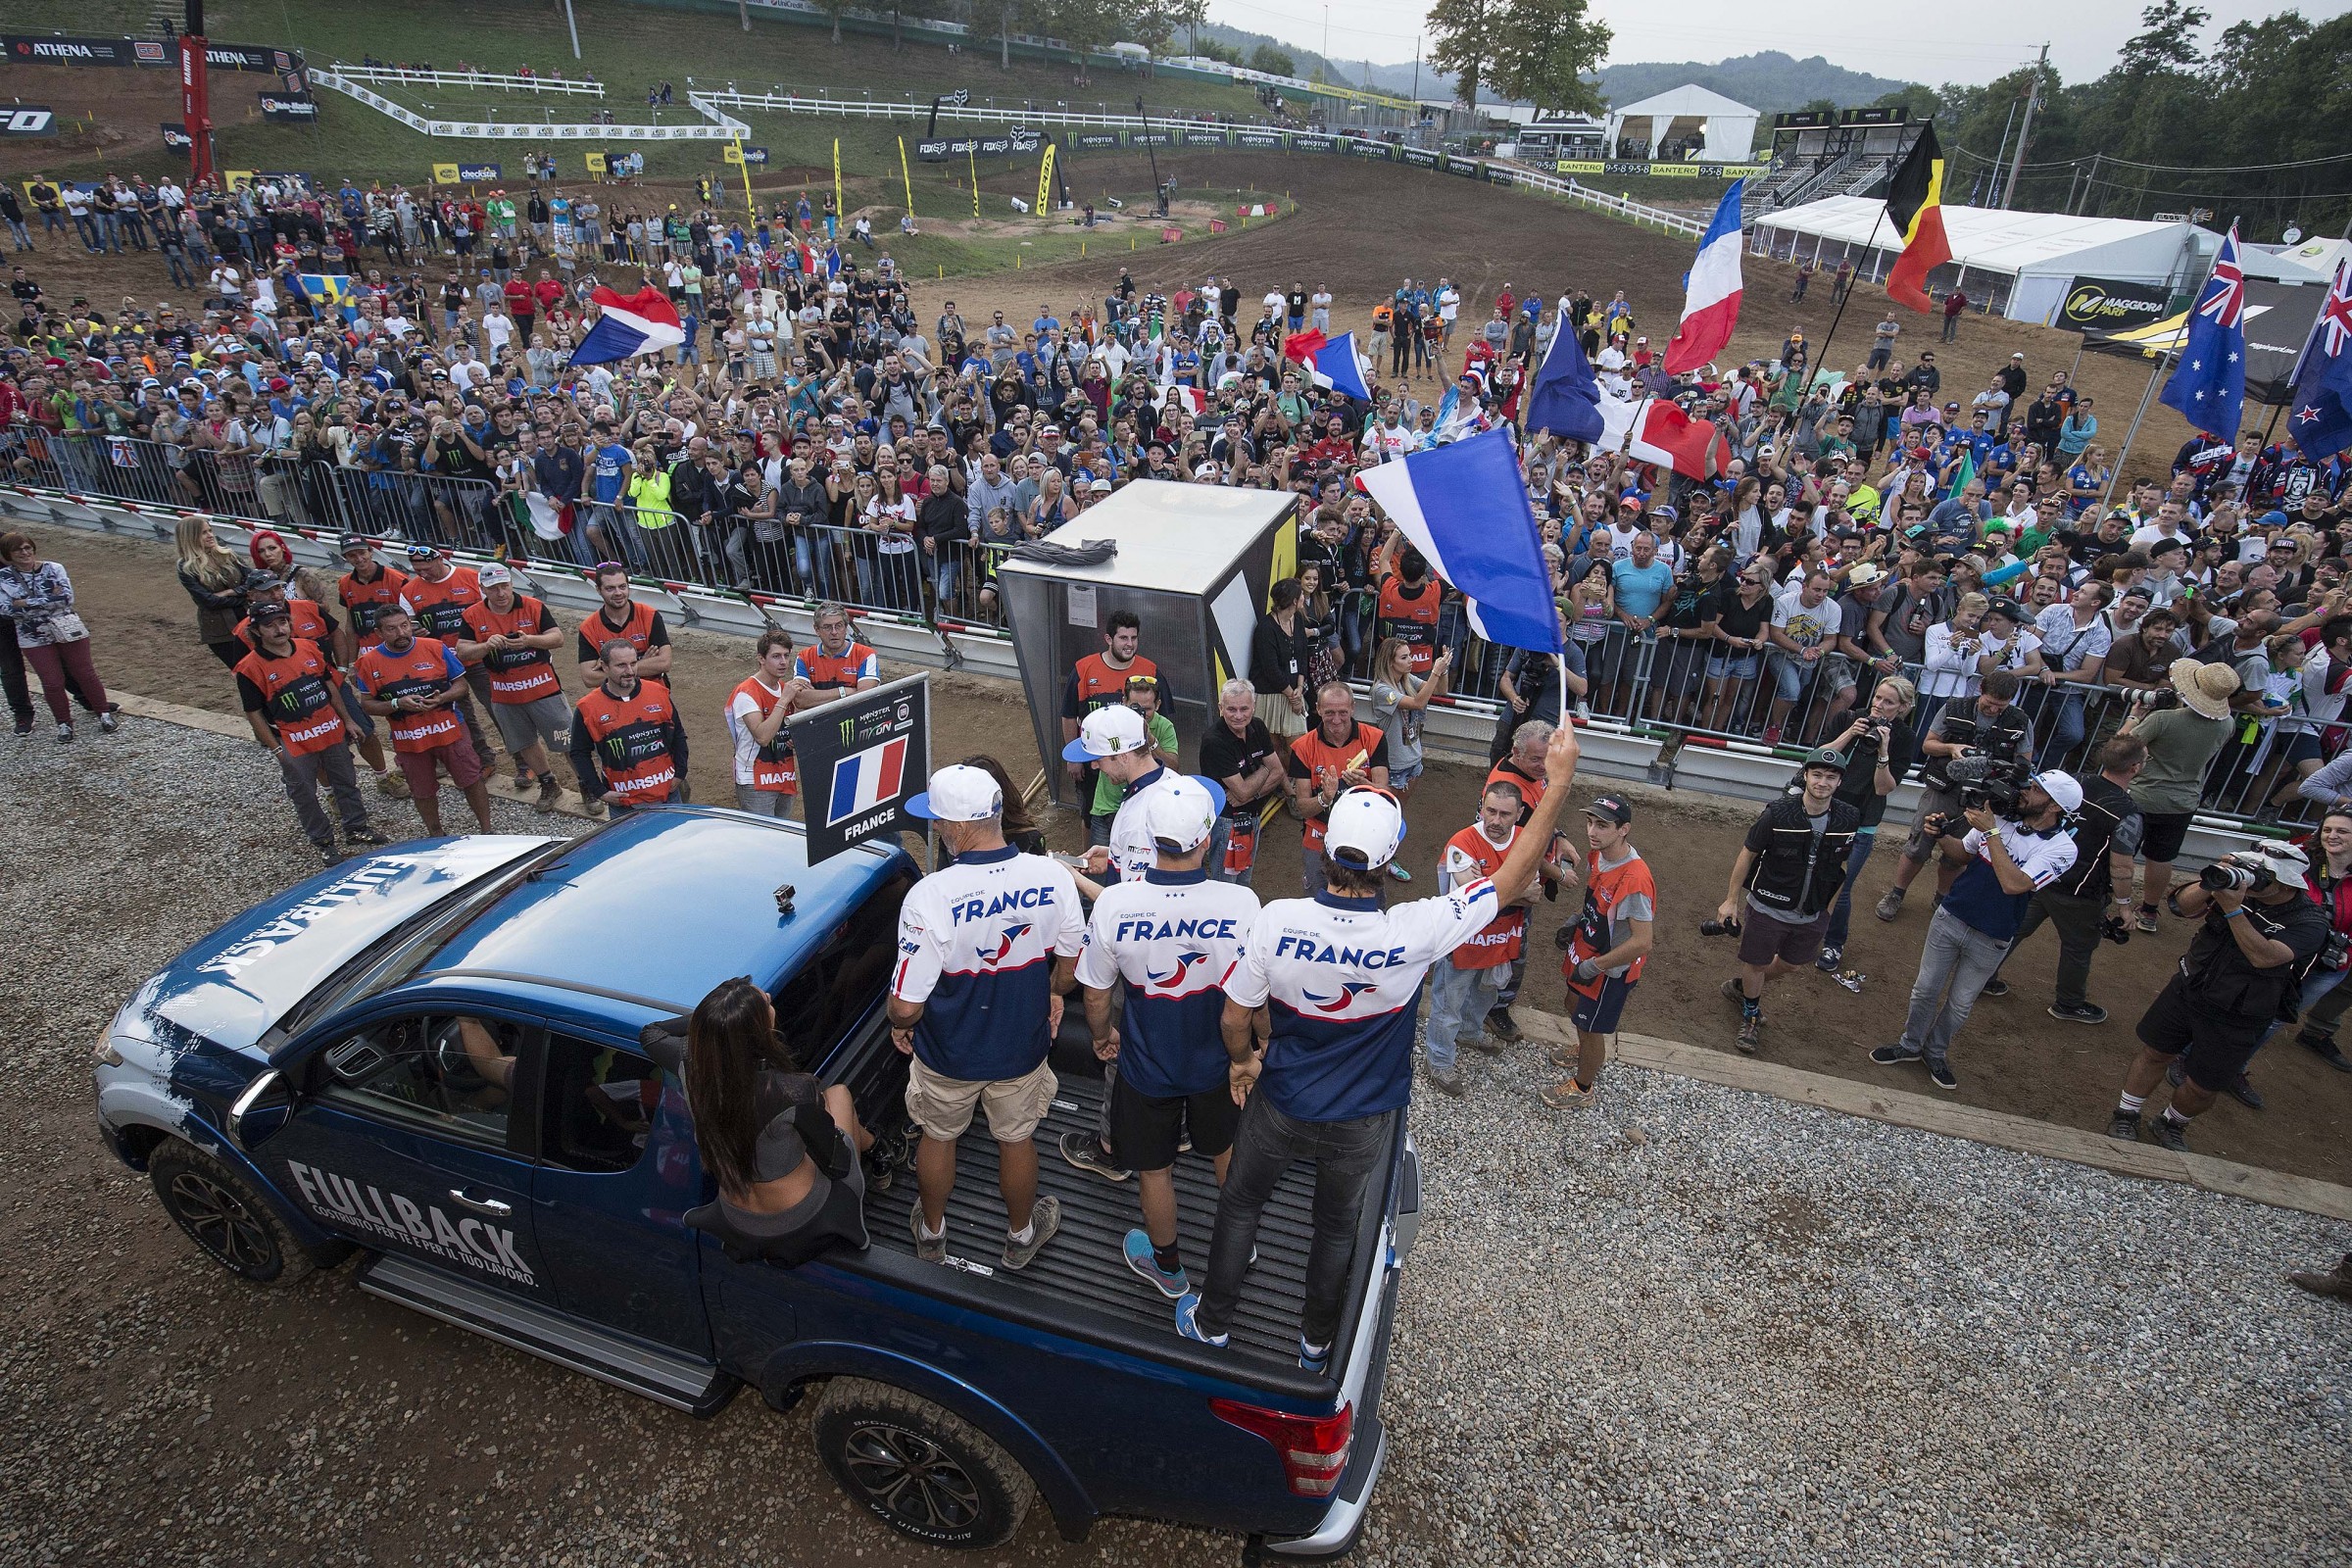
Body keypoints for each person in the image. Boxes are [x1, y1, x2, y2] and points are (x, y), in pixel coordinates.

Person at [1178, 723, 1584, 1366]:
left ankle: (1214, 1322)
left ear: (1329, 846)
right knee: (1336, 1226)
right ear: (1391, 854)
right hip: (1363, 1118)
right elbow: (1509, 882)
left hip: (1280, 1102)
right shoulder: (1416, 929)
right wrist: (1556, 784)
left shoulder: (1277, 918)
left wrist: (1242, 1060)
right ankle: (1315, 1342)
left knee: (1240, 1205)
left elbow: (1235, 1017)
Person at [892, 763, 1087, 1270]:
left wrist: (898, 1021)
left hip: (947, 1051)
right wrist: (1051, 992)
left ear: (958, 829)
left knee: (939, 1136)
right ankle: (1021, 1236)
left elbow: (907, 1005)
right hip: (1021, 1046)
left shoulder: (930, 895)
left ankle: (932, 1232)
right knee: (1016, 1139)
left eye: (937, 821)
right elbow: (1070, 968)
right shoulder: (1051, 874)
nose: (935, 828)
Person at [1074, 777, 1259, 1297]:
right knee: (1226, 1151)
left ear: (1151, 841)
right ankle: (1240, 1247)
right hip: (1218, 1063)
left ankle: (1169, 1268)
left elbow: (1094, 993)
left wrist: (1102, 1035)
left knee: (1155, 1169)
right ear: (1206, 842)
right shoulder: (1242, 904)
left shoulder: (1115, 905)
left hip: (1146, 1064)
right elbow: (1255, 998)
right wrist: (1255, 1051)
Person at [2109, 840, 2329, 1152]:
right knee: (2155, 1053)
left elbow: (2264, 957)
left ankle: (2172, 1123)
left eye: (2264, 876)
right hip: (2188, 989)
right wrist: (2216, 879)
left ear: (2287, 882)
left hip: (2241, 1013)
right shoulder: (2231, 887)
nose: (2253, 882)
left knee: (2203, 1085)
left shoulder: (2309, 921)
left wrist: (2234, 909)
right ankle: (2126, 1113)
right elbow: (2182, 906)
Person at [1873, 772, 2082, 1091]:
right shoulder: (2001, 819)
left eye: (2036, 790)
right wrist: (1942, 834)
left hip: (1993, 934)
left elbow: (2015, 885)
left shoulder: (2062, 848)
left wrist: (1993, 832)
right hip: (1951, 916)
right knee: (1924, 990)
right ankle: (1910, 1045)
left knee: (1960, 1004)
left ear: (2054, 807)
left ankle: (1935, 1052)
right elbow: (1962, 854)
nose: (2024, 791)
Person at [649, 978, 876, 1261]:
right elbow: (837, 1161)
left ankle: (876, 1146)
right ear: (756, 1029)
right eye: (765, 1003)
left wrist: (718, 1018)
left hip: (736, 1218)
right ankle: (878, 1151)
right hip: (799, 1221)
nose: (770, 997)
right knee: (839, 1095)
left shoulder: (692, 1068)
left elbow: (651, 1033)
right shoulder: (791, 1090)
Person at [1992, 735, 2146, 1024]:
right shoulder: (2127, 813)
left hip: (2040, 873)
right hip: (2081, 892)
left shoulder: (2073, 783)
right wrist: (2125, 904)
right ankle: (2070, 1003)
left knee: (2014, 929)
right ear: (2135, 769)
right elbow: (2122, 866)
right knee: (2078, 947)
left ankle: (1982, 977)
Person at [1719, 749, 1861, 1054]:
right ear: (1806, 776)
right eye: (1818, 775)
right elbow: (1748, 853)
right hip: (1768, 906)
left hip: (1812, 913)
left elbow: (1841, 868)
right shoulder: (1777, 813)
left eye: (1831, 777)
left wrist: (1828, 912)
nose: (1823, 782)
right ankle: (1751, 1017)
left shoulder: (1849, 817)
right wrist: (1731, 900)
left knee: (1792, 965)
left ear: (1839, 782)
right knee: (1756, 963)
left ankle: (1744, 988)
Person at [234, 600, 387, 864]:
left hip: (330, 730)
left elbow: (328, 685)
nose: (279, 630)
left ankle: (357, 829)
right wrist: (277, 749)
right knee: (304, 794)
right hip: (293, 741)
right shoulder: (249, 668)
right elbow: (253, 713)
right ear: (256, 631)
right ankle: (324, 842)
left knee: (346, 780)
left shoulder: (309, 647)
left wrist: (348, 720)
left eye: (282, 622)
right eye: (269, 626)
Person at [1879, 670, 2033, 920]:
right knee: (1918, 844)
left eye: (2000, 706)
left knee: (1958, 854)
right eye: (1989, 703)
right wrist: (1951, 748)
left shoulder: (2020, 720)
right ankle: (1896, 894)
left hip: (1983, 797)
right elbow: (1928, 745)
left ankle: (1942, 898)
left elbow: (2024, 764)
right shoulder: (1955, 707)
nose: (1993, 709)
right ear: (1981, 689)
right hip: (1944, 787)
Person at [1422, 781, 1543, 1096]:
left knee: (1486, 994)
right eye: (1490, 811)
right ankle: (1439, 1060)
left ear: (1519, 814)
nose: (1496, 820)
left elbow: (1535, 893)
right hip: (1462, 941)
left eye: (1505, 814)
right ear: (1481, 807)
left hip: (1500, 939)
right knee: (1449, 1003)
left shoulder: (1527, 842)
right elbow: (1471, 895)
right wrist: (1516, 889)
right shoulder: (1462, 842)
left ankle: (1470, 1032)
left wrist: (1492, 886)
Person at [1542, 794, 1655, 1109]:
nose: (1592, 831)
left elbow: (1642, 942)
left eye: (1602, 825)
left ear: (1624, 829)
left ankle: (1583, 1086)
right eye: (1590, 822)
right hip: (1588, 947)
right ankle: (1583, 1047)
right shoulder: (1599, 856)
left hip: (1609, 969)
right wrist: (1577, 921)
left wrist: (1594, 967)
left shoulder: (1634, 880)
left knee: (1591, 1027)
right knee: (1573, 1003)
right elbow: (1600, 902)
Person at [350, 604, 496, 837]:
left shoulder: (435, 647)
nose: (401, 633)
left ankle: (488, 832)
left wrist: (443, 698)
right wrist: (398, 704)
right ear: (378, 633)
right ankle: (436, 836)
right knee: (422, 791)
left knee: (471, 779)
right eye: (392, 629)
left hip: (450, 730)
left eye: (404, 625)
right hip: (409, 738)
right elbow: (367, 704)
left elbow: (461, 685)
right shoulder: (369, 662)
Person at [2119, 660, 2242, 935]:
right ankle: (2149, 911)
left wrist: (2134, 717)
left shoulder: (2163, 720)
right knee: (2161, 858)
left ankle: (2109, 899)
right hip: (2183, 802)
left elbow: (2122, 746)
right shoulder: (2227, 725)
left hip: (2142, 796)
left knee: (2122, 852)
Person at [1817, 678, 1918, 976]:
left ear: (1903, 708)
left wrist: (1883, 751)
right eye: (1878, 698)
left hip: (1862, 820)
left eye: (1888, 702)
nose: (1879, 706)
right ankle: (1793, 927)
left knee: (1843, 886)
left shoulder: (1904, 737)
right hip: (1823, 810)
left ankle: (1833, 943)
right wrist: (1851, 733)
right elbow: (1818, 759)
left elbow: (1884, 788)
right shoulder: (1849, 717)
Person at [455, 564, 569, 812]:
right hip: (505, 694)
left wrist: (529, 640)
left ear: (511, 584)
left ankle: (586, 785)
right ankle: (548, 782)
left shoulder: (533, 606)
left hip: (544, 689)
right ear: (483, 589)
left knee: (567, 740)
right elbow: (462, 650)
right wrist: (486, 646)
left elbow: (558, 638)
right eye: (493, 588)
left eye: (504, 586)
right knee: (524, 742)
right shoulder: (472, 615)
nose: (501, 593)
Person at [0, 530, 113, 743]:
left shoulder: (54, 567)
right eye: (18, 550)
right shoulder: (3, 577)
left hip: (66, 628)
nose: (25, 552)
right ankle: (62, 723)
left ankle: (103, 712)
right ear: (8, 554)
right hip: (32, 636)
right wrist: (47, 599)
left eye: (28, 547)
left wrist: (24, 603)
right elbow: (5, 609)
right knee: (50, 681)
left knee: (84, 672)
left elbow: (66, 598)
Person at [398, 544, 499, 775]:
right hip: (443, 664)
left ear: (440, 559)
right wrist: (415, 630)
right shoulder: (410, 590)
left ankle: (524, 764)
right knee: (462, 714)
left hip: (479, 657)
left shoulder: (471, 578)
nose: (423, 573)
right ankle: (483, 759)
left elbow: (493, 611)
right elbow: (408, 621)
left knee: (498, 709)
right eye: (417, 568)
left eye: (426, 567)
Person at [1287, 680, 1391, 898]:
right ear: (1318, 709)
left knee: (1370, 903)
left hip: (1366, 836)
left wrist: (1365, 786)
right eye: (1329, 712)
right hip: (1319, 837)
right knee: (1318, 900)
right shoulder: (1303, 747)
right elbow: (1302, 808)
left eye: (1343, 712)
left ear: (1353, 708)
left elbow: (1385, 795)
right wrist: (1325, 797)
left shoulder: (1374, 738)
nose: (1336, 720)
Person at [1062, 611, 1155, 843]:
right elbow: (1068, 715)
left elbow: (1161, 716)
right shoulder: (1084, 669)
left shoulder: (1150, 671)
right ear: (1108, 639)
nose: (1129, 644)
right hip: (1094, 759)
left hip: (1132, 762)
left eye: (1133, 638)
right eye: (1123, 638)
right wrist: (1074, 758)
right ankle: (1087, 859)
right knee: (1089, 812)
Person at [569, 639, 685, 812]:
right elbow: (579, 753)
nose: (629, 671)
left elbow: (678, 735)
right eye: (621, 665)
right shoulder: (588, 707)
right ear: (605, 666)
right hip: (624, 805)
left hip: (669, 796)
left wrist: (680, 772)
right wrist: (600, 791)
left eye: (633, 663)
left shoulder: (659, 693)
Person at [1200, 678, 1284, 887]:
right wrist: (1265, 769)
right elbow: (1244, 790)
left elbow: (1278, 772)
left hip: (1254, 816)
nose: (1238, 715)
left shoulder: (1258, 726)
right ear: (1221, 708)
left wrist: (1253, 792)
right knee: (1225, 883)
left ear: (1253, 706)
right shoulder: (1214, 741)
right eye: (1231, 709)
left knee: (1244, 878)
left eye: (1244, 708)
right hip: (1226, 822)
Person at [725, 629, 804, 817]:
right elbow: (762, 736)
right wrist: (784, 701)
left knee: (780, 835)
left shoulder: (784, 688)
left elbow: (781, 730)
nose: (783, 662)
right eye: (776, 656)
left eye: (786, 656)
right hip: (754, 779)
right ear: (761, 658)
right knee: (761, 839)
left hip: (783, 774)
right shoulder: (746, 692)